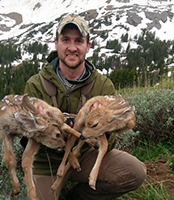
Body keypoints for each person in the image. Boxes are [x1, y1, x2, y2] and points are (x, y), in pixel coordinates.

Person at [24, 14, 146, 200]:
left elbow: (110, 143)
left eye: (79, 41)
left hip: (84, 156)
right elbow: (25, 140)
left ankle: (78, 196)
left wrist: (102, 128)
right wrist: (38, 129)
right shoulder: (36, 85)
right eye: (66, 40)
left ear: (87, 46)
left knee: (134, 172)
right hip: (46, 162)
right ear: (56, 43)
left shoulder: (103, 86)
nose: (72, 48)